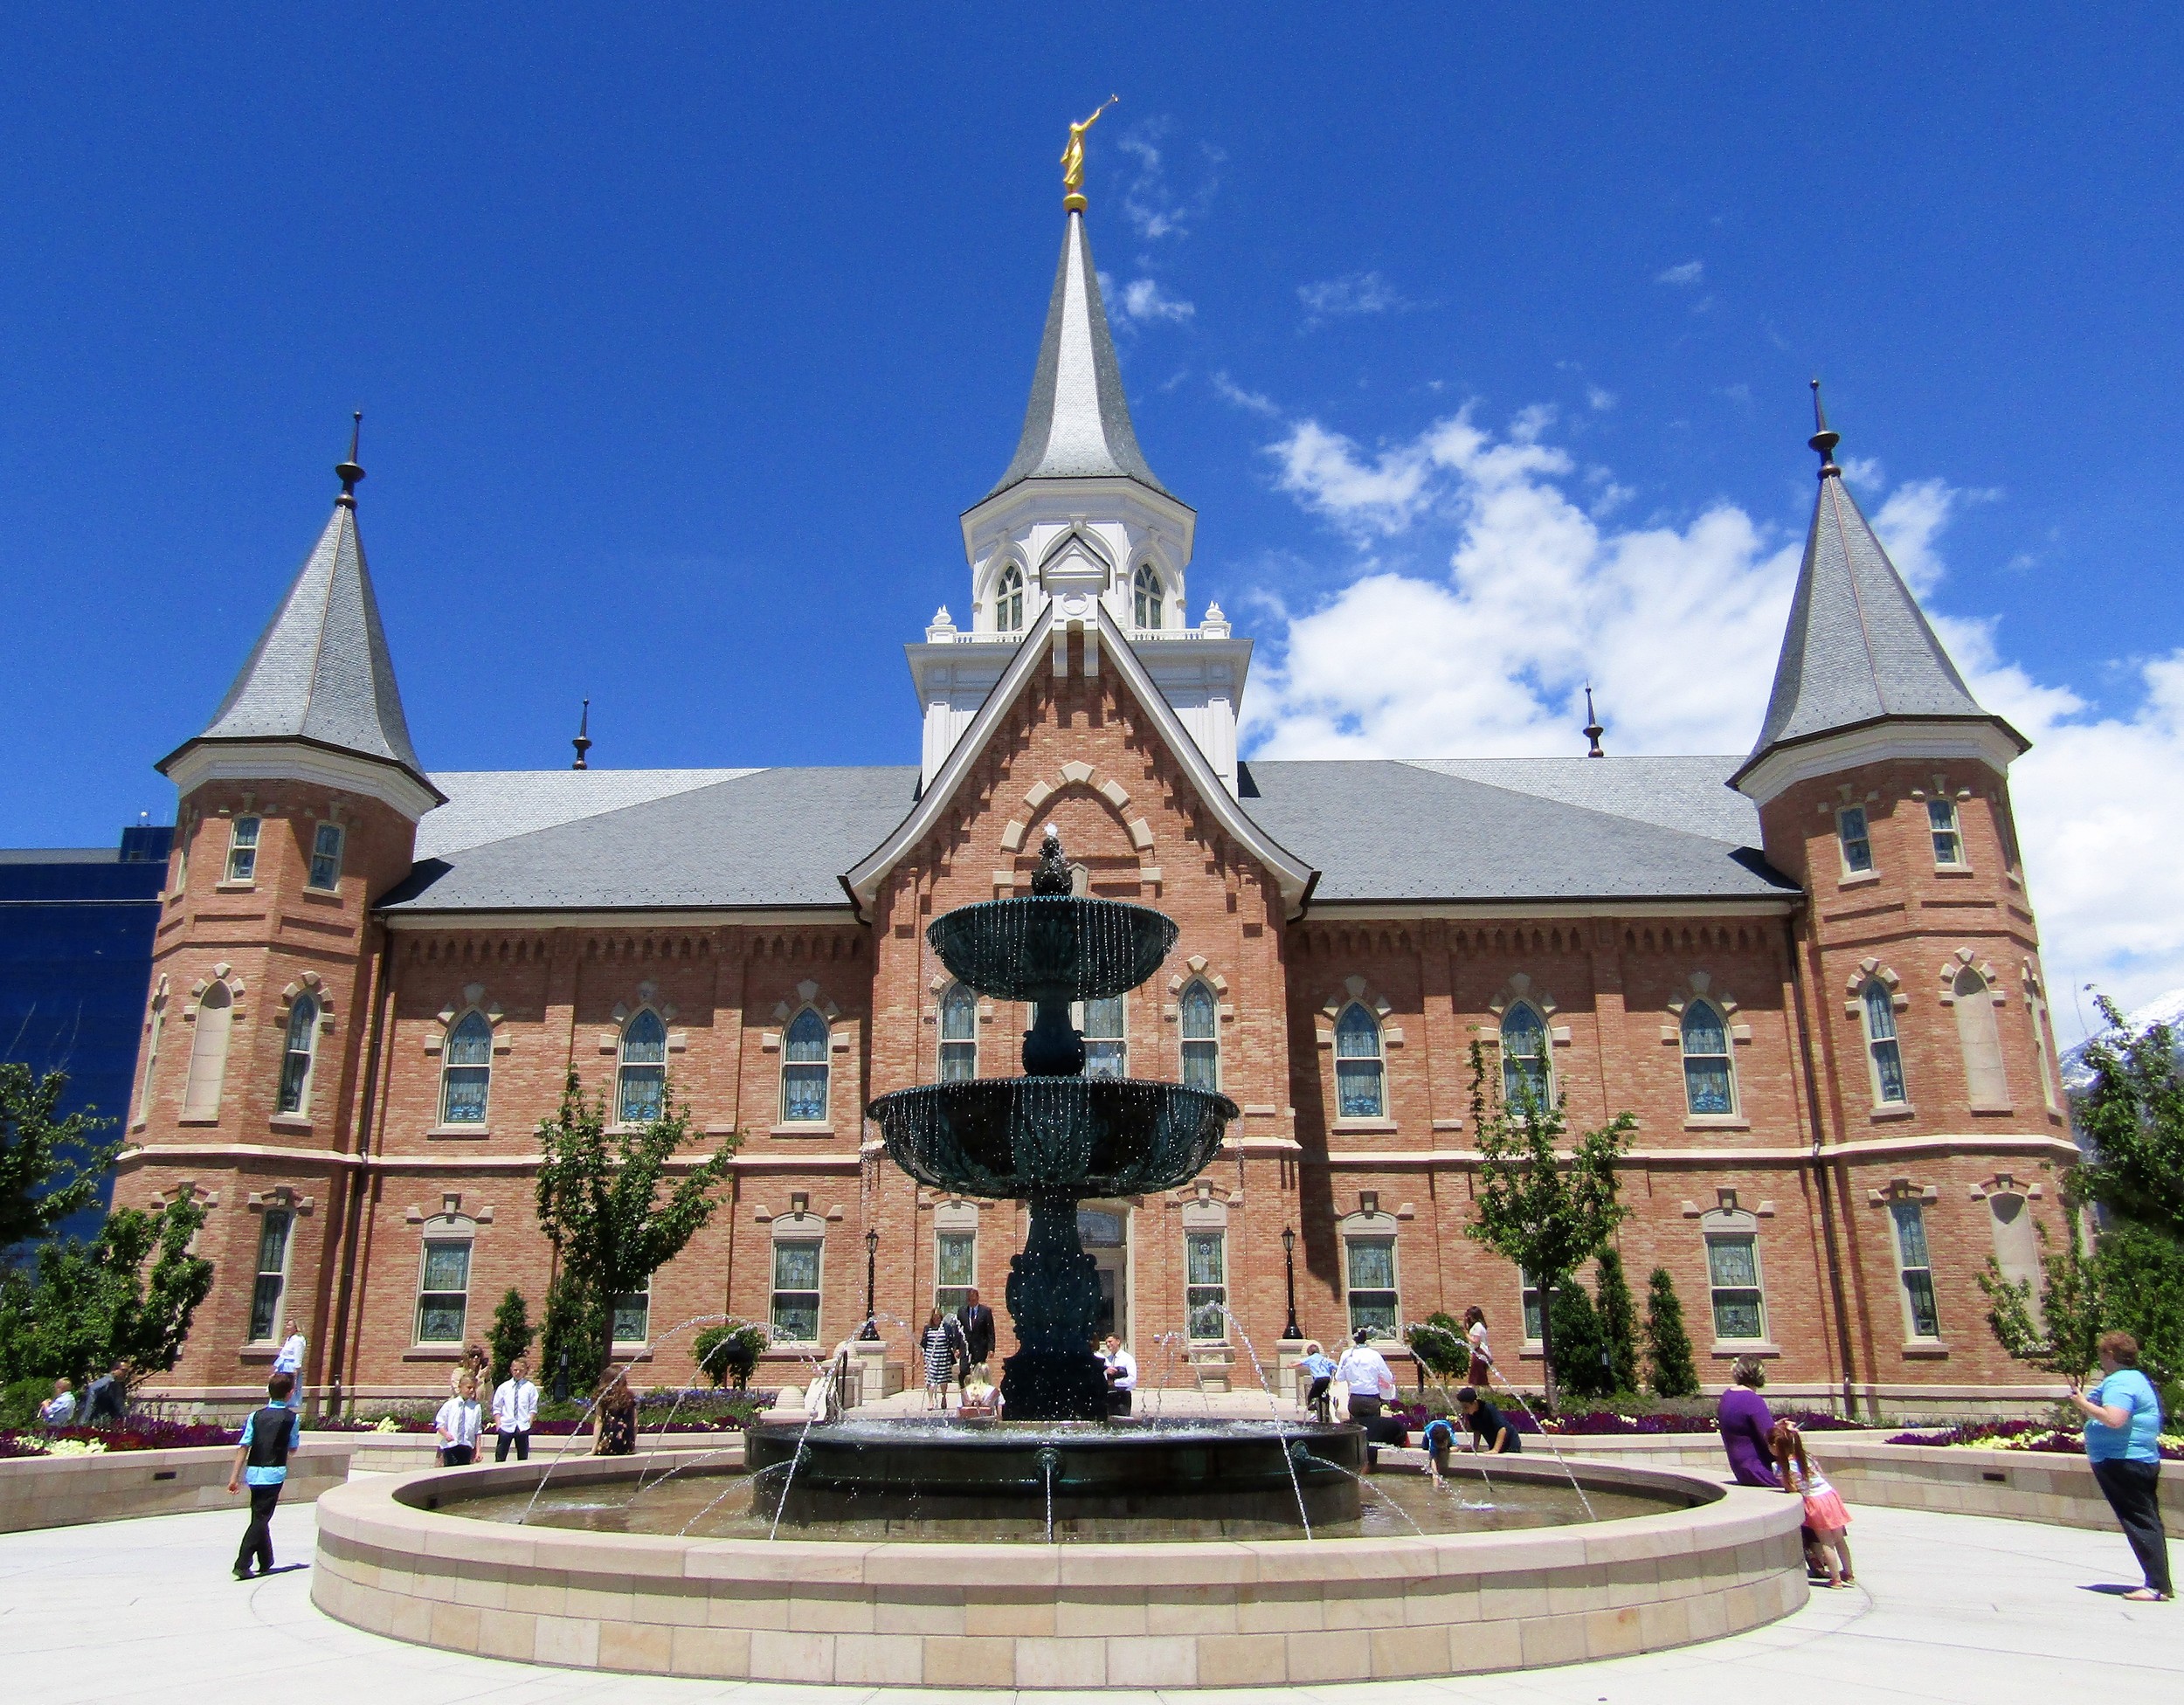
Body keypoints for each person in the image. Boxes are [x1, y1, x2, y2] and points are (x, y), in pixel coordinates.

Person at [2068, 1329, 2173, 1602]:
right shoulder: (2134, 1379)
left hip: (2123, 1461)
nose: (2100, 1359)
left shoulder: (2120, 1382)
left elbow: (2115, 1419)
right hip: (2135, 1460)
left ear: (2111, 1354)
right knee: (2146, 1519)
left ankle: (2157, 1587)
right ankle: (2159, 1583)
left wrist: (2082, 1404)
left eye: (2101, 1353)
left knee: (2140, 1521)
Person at [226, 1371, 302, 1580]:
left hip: (254, 1473)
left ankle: (266, 1559)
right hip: (274, 1473)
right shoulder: (292, 1418)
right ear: (290, 1393)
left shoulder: (255, 1416)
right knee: (261, 1518)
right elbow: (293, 1448)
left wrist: (234, 1477)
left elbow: (244, 1446)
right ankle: (242, 1563)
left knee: (259, 1515)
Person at [1770, 1419, 1854, 1588]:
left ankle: (1836, 1579)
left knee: (1826, 1542)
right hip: (1829, 1495)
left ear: (1774, 1447)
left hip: (1814, 1501)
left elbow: (1791, 1488)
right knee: (1839, 1539)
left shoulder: (1780, 1466)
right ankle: (1849, 1573)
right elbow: (1820, 1473)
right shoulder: (1806, 1457)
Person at [1337, 1328, 1404, 1466]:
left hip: (1355, 1399)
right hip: (1371, 1399)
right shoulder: (1374, 1355)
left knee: (1356, 1432)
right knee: (1373, 1432)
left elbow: (1339, 1377)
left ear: (1353, 1338)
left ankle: (1355, 1463)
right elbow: (1388, 1376)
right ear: (1366, 1338)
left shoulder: (1347, 1355)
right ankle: (1371, 1464)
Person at [1717, 1356, 1780, 1488]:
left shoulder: (1727, 1396)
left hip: (1741, 1472)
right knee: (1810, 1477)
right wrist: (1788, 1434)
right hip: (1761, 1471)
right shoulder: (1753, 1400)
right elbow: (1772, 1441)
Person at [492, 1355, 539, 1462]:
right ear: (511, 1370)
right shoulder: (504, 1387)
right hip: (506, 1425)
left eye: (520, 1370)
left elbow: (533, 1407)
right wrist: (498, 1425)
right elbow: (497, 1407)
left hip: (522, 1426)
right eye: (515, 1370)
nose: (517, 1372)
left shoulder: (530, 1387)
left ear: (525, 1371)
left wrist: (529, 1423)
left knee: (523, 1457)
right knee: (500, 1456)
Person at [435, 1372, 483, 1467]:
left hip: (467, 1446)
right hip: (451, 1445)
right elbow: (439, 1424)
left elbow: (478, 1431)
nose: (471, 1390)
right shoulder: (450, 1405)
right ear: (460, 1387)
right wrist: (446, 1434)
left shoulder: (476, 1407)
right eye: (469, 1387)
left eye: (473, 1388)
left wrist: (478, 1451)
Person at [1456, 1385, 1521, 1454]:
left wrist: (1496, 1449)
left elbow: (1502, 1429)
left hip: (1510, 1443)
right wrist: (1474, 1447)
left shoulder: (1488, 1409)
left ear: (1474, 1403)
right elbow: (1477, 1431)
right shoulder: (1472, 1414)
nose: (1464, 1410)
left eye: (1466, 1407)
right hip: (1495, 1444)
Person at [591, 1370, 638, 1456]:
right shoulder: (629, 1398)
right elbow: (635, 1423)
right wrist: (633, 1445)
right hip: (626, 1446)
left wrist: (593, 1449)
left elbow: (599, 1422)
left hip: (607, 1446)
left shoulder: (603, 1397)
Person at [919, 1308, 957, 1409]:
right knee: (930, 1379)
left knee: (943, 1379)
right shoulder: (928, 1328)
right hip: (931, 1358)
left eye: (938, 1317)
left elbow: (952, 1341)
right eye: (935, 1318)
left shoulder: (946, 1327)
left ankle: (944, 1397)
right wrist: (920, 1358)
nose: (936, 1319)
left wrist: (955, 1350)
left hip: (944, 1357)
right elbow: (923, 1344)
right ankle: (931, 1401)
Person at [957, 1287, 996, 1382]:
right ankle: (964, 1389)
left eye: (973, 1300)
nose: (971, 1302)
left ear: (978, 1298)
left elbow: (990, 1331)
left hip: (980, 1347)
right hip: (965, 1347)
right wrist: (956, 1347)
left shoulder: (985, 1311)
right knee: (964, 1370)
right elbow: (958, 1331)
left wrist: (991, 1348)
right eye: (969, 1300)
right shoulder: (962, 1312)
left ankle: (978, 1388)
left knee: (979, 1371)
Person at [1296, 1341, 1336, 1422]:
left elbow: (1300, 1363)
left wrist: (1290, 1365)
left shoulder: (1311, 1358)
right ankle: (1329, 1405)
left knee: (1311, 1396)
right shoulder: (1323, 1359)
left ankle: (1313, 1415)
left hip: (1318, 1380)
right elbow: (1335, 1367)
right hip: (1327, 1379)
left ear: (1309, 1353)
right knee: (1323, 1394)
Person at [79, 1363, 128, 1427]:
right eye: (124, 1370)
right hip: (102, 1422)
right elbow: (119, 1406)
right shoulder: (111, 1384)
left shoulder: (101, 1382)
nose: (126, 1374)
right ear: (114, 1370)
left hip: (95, 1421)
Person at [1101, 1335, 1137, 1416]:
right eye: (1106, 1343)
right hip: (1109, 1396)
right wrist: (1105, 1372)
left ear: (1118, 1341)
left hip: (1122, 1396)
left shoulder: (1127, 1359)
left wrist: (1115, 1383)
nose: (1108, 1344)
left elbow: (1132, 1379)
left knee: (1122, 1420)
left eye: (1110, 1341)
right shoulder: (1107, 1359)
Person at [1463, 1307, 1493, 1386]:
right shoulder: (1478, 1325)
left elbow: (1476, 1340)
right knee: (1480, 1380)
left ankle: (1482, 1393)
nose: (1469, 1317)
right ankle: (1483, 1392)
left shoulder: (1478, 1326)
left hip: (1480, 1353)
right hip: (1479, 1353)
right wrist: (1465, 1320)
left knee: (1477, 1380)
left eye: (1470, 1315)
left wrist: (1465, 1334)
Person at [273, 1320, 307, 1387]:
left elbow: (298, 1356)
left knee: (288, 1389)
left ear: (296, 1328)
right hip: (283, 1367)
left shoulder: (298, 1340)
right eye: (287, 1325)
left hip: (290, 1369)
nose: (287, 1327)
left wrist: (295, 1372)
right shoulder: (289, 1339)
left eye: (289, 1325)